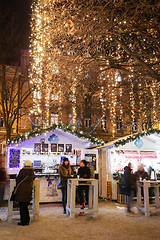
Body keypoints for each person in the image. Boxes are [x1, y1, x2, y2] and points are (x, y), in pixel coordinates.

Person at [15, 160, 35, 226]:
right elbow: (33, 178)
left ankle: (23, 221)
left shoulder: (22, 171)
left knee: (22, 207)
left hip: (22, 190)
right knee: (25, 206)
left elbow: (18, 179)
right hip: (28, 189)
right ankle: (27, 220)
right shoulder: (32, 171)